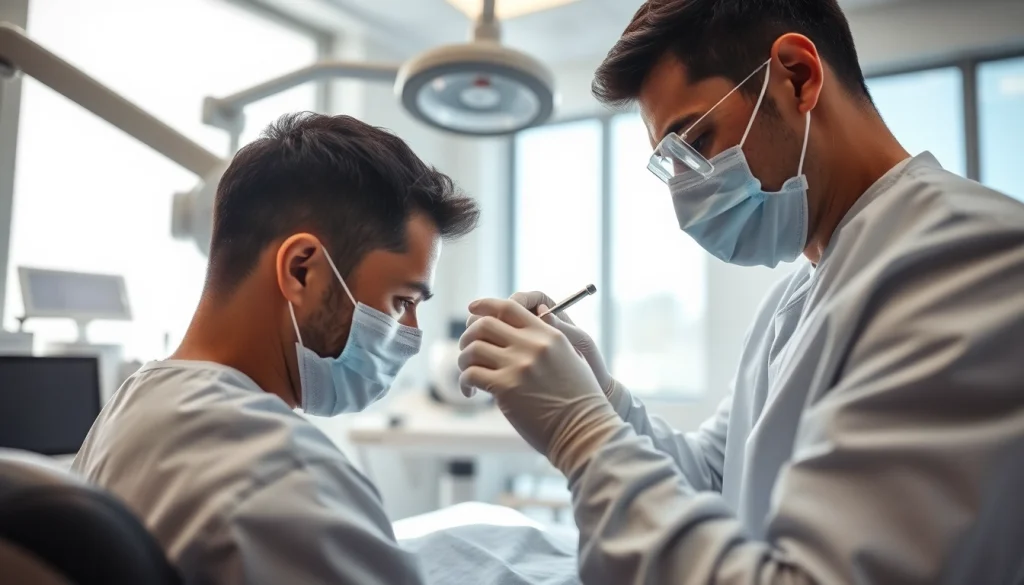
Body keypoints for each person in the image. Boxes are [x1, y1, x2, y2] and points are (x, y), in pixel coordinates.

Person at [458, 1, 1024, 583]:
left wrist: (580, 431)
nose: (683, 201)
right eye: (671, 164)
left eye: (697, 140)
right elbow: (713, 477)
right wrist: (597, 394)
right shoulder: (797, 297)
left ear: (798, 77)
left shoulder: (972, 261)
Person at [73, 112, 479, 584]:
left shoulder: (134, 402)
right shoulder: (282, 474)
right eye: (402, 301)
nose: (410, 335)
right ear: (302, 270)